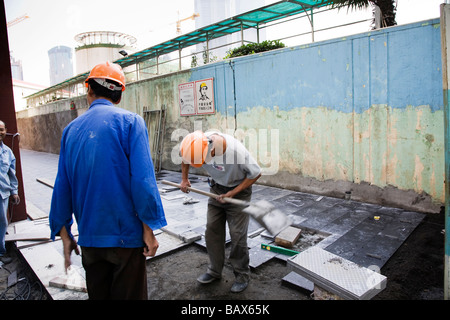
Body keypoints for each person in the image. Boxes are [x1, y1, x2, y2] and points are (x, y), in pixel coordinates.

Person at [49, 61, 167, 300]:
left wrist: (65, 234)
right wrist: (148, 230)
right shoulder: (131, 122)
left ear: (89, 90)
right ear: (119, 95)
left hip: (90, 239)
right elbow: (143, 181)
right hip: (126, 238)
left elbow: (62, 186)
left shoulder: (70, 131)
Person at [179, 130, 261, 293]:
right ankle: (214, 271)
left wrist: (232, 193)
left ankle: (242, 275)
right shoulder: (196, 143)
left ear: (210, 150)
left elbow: (256, 173)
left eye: (203, 160)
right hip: (216, 189)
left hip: (238, 191)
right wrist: (184, 178)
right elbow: (185, 158)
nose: (203, 163)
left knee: (237, 235)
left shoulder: (235, 151)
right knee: (212, 229)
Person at [0, 121, 20, 265]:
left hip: (3, 194)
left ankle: (1, 252)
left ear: (5, 130)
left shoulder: (7, 152)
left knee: (2, 222)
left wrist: (14, 192)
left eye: (1, 130)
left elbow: (11, 174)